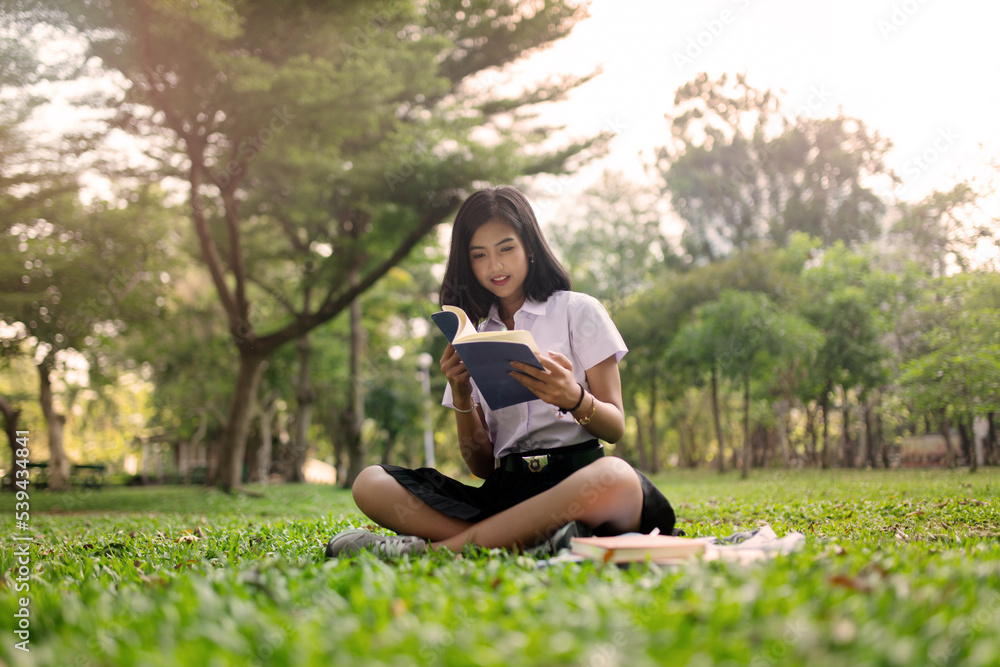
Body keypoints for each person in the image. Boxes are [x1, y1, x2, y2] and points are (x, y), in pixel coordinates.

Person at [325, 185, 675, 558]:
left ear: (529, 246)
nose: (495, 266)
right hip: (505, 494)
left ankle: (441, 552)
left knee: (617, 478)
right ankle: (535, 542)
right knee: (370, 483)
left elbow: (615, 427)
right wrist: (462, 396)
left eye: (506, 248)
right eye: (479, 255)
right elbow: (481, 466)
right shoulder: (473, 336)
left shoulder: (579, 312)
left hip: (579, 484)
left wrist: (572, 397)